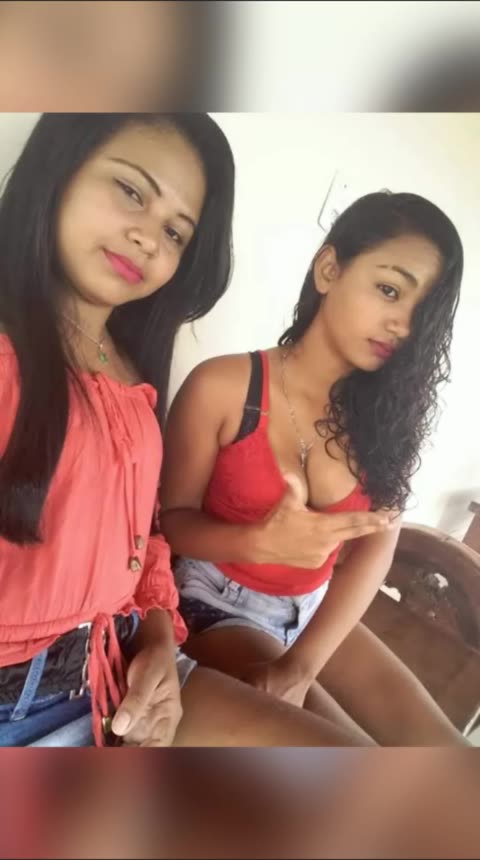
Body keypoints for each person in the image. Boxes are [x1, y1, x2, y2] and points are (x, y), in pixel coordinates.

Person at [0, 112, 368, 749]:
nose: (148, 238)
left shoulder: (132, 371)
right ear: (59, 171)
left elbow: (145, 539)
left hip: (125, 669)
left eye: (175, 232)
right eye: (131, 191)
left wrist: (157, 643)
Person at [161, 190, 469, 746]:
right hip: (217, 600)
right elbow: (171, 523)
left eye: (421, 310)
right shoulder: (224, 387)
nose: (403, 324)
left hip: (315, 603)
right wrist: (258, 541)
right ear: (329, 269)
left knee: (442, 746)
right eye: (389, 290)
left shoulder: (386, 417)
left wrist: (304, 664)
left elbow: (375, 549)